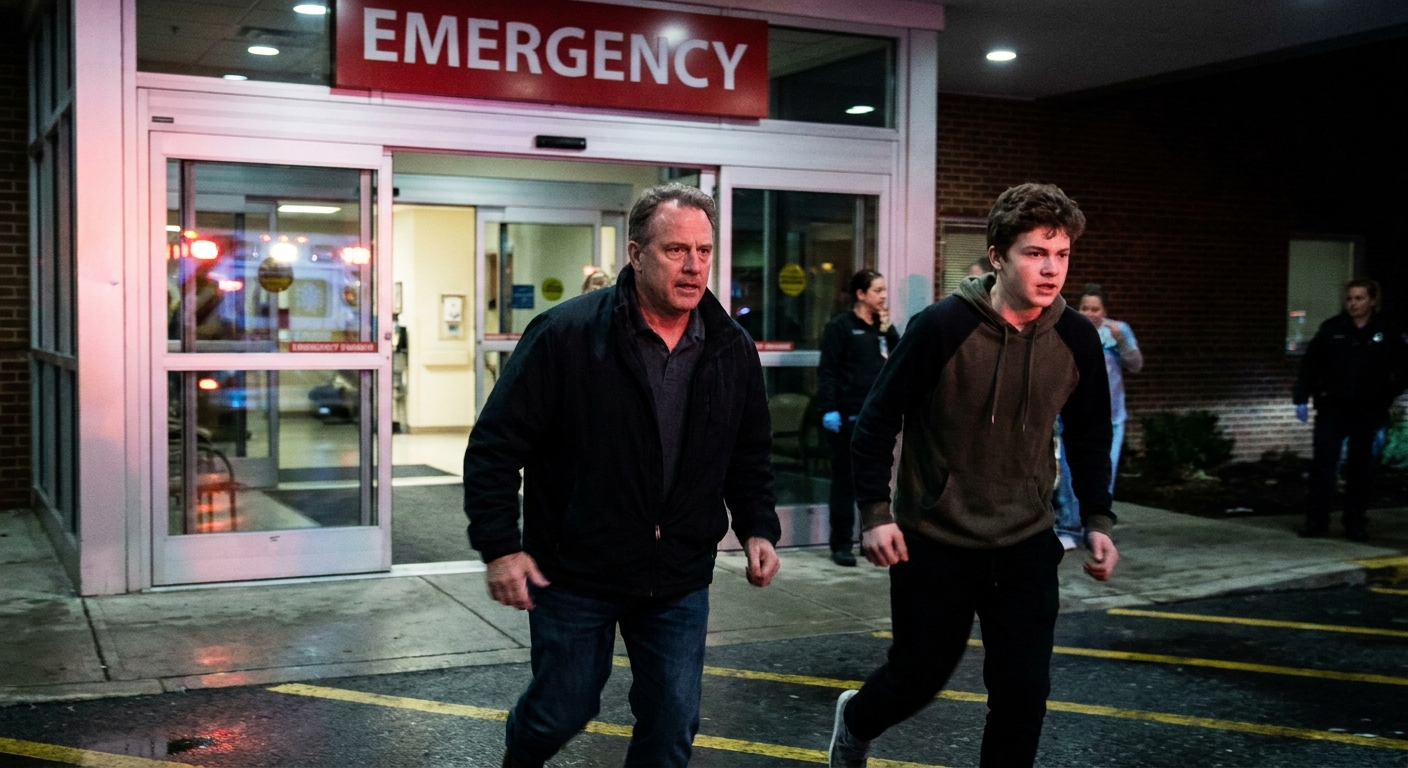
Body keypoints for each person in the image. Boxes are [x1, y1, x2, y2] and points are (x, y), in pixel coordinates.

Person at [463, 183, 782, 768]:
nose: (693, 267)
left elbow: (748, 450)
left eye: (704, 251)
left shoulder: (730, 348)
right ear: (635, 254)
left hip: (678, 573)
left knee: (672, 722)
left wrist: (759, 525)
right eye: (675, 250)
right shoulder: (566, 335)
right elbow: (494, 446)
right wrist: (500, 547)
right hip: (576, 569)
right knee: (562, 709)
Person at [829, 183, 1119, 768]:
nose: (1051, 268)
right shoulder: (941, 327)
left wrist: (1096, 517)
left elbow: (1089, 434)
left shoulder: (1076, 338)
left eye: (1061, 255)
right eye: (1035, 253)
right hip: (936, 538)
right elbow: (877, 421)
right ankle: (856, 718)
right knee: (918, 677)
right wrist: (876, 514)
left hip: (1025, 540)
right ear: (997, 257)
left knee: (1022, 695)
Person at [1292, 279, 1408, 541]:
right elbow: (1311, 364)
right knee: (1324, 466)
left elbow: (1402, 367)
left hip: (1368, 410)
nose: (1353, 304)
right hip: (1333, 408)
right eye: (1349, 299)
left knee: (1361, 469)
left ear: (1373, 301)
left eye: (1359, 298)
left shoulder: (1387, 331)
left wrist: (1388, 389)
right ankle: (1317, 522)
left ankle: (1355, 523)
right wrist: (1302, 396)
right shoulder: (1332, 329)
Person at [817, 270, 901, 566]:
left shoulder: (882, 328)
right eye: (877, 290)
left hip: (876, 418)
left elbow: (899, 362)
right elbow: (827, 371)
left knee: (875, 482)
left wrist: (888, 330)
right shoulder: (841, 327)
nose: (883, 296)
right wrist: (829, 409)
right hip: (846, 417)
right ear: (861, 294)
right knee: (845, 482)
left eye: (884, 290)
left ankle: (871, 539)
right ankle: (841, 543)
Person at [1053, 283, 1143, 549]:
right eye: (1084, 308)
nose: (1090, 313)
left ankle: (1096, 528)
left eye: (1095, 309)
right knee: (1069, 472)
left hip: (1112, 416)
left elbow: (1136, 365)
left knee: (1103, 475)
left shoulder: (1118, 330)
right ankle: (1069, 526)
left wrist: (1122, 341)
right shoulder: (1073, 329)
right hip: (1073, 415)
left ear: (1105, 311)